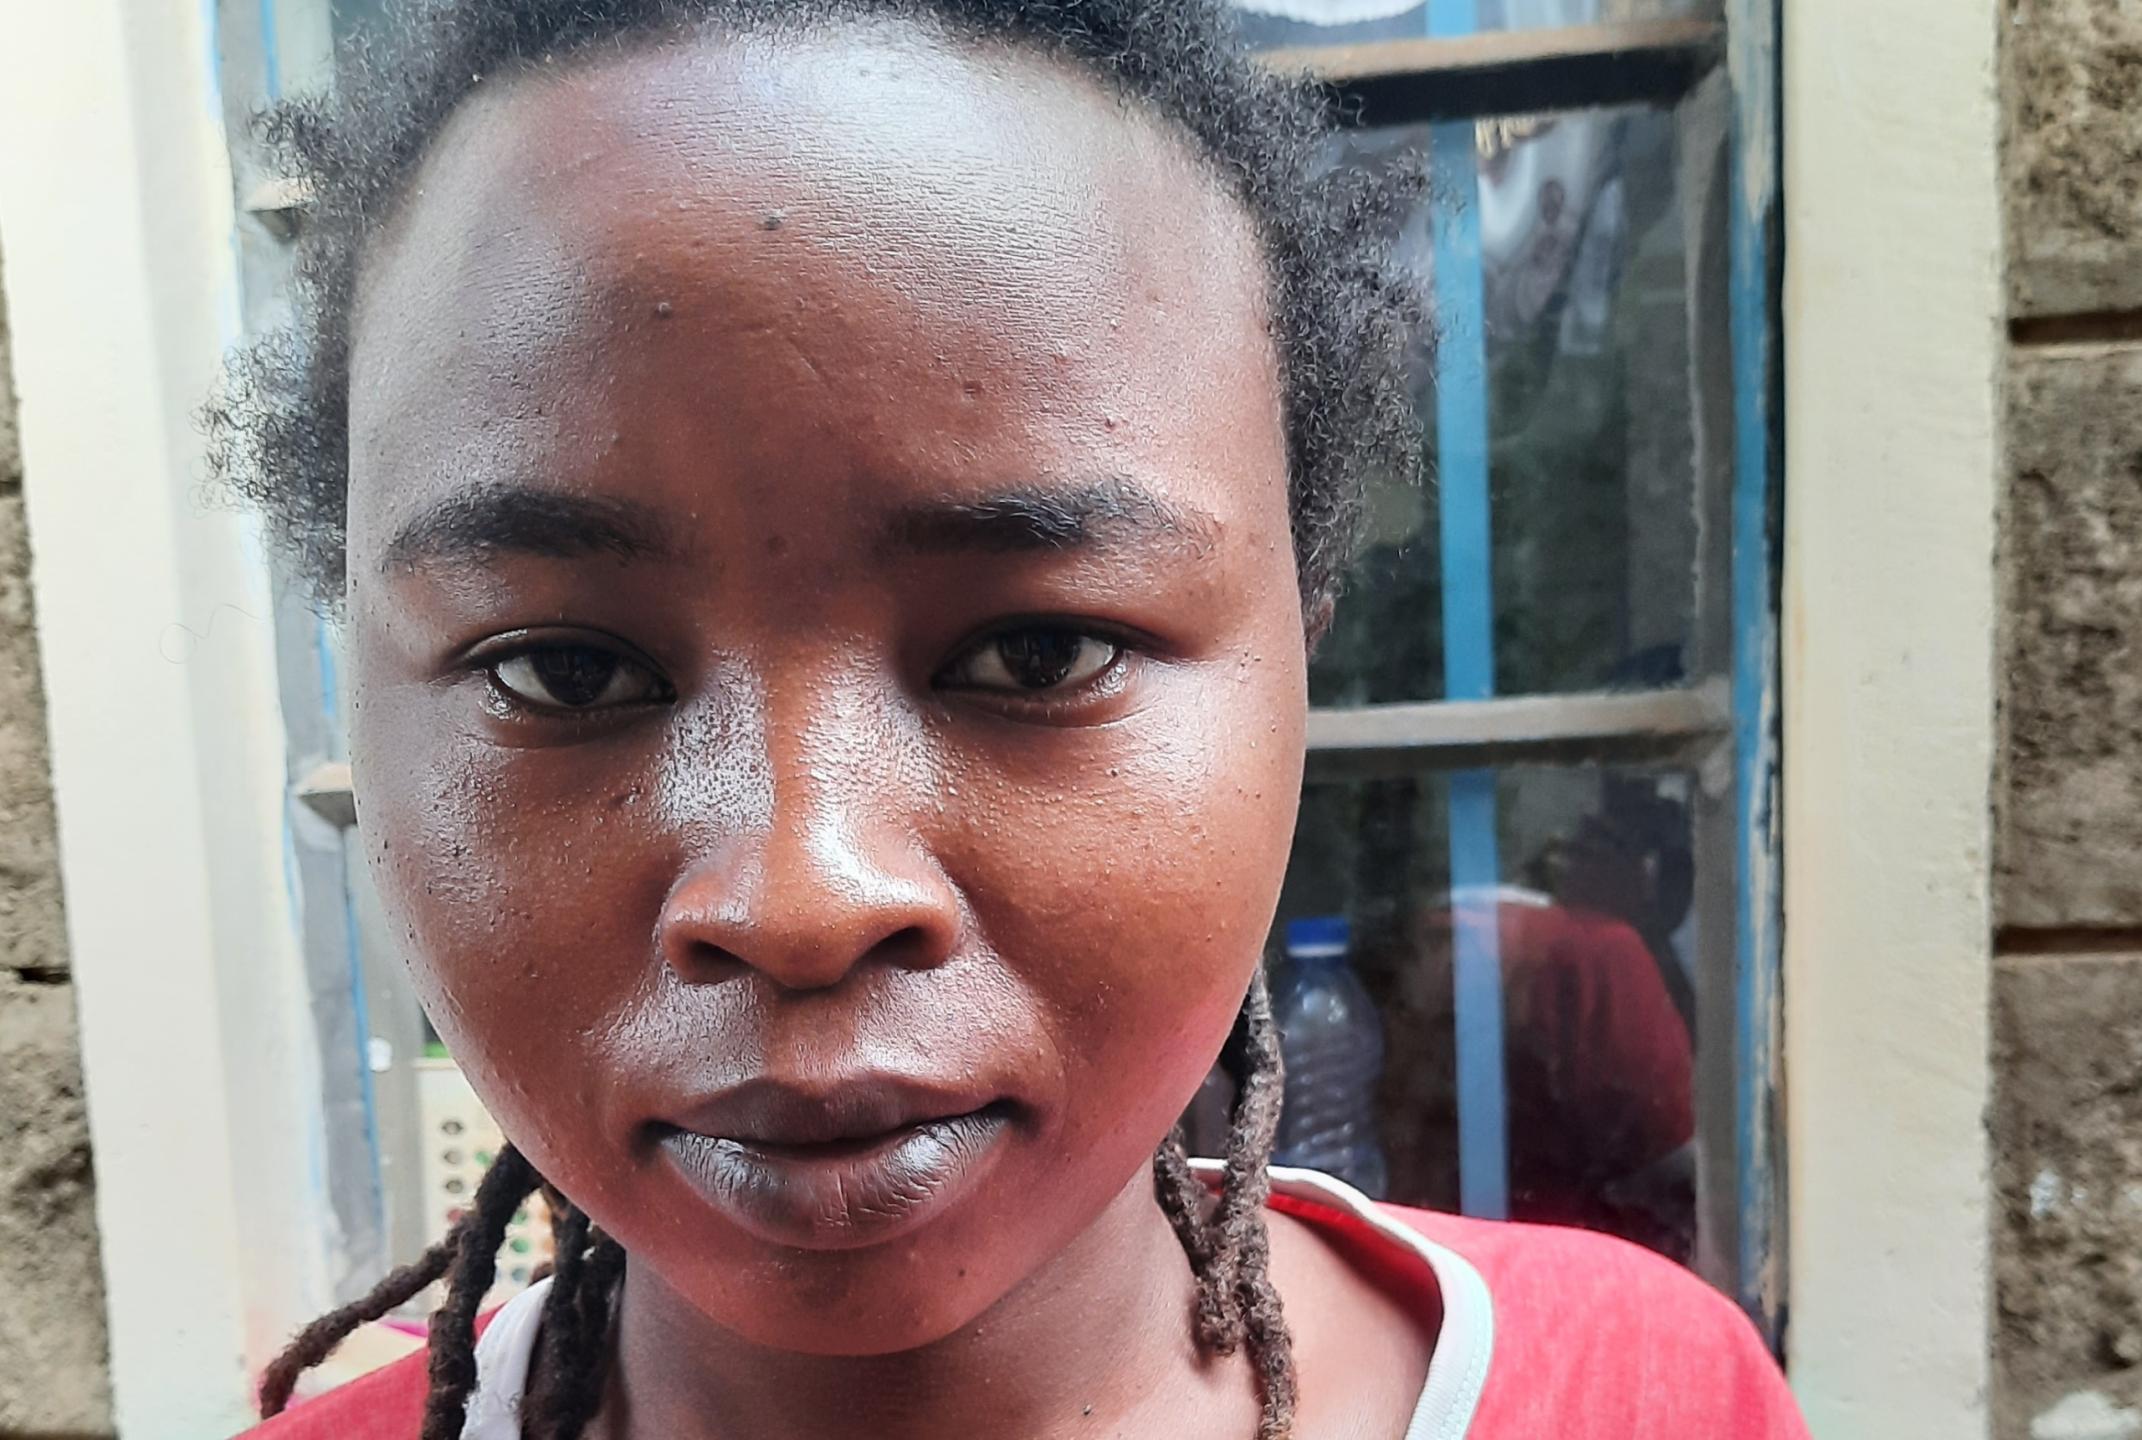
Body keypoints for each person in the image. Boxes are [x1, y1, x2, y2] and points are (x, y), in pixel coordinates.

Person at [208, 1, 1811, 1436]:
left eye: (1039, 654)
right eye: (564, 671)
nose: (801, 896)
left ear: (1296, 673)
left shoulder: (1646, 1398)